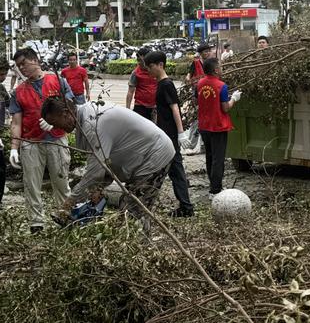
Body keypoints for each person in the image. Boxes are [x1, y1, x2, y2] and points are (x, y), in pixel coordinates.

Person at [41, 97, 175, 231]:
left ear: (66, 113)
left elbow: (95, 174)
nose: (55, 128)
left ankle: (142, 246)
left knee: (131, 214)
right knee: (130, 212)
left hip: (155, 155)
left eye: (55, 123)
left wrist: (68, 205)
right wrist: (97, 189)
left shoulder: (93, 124)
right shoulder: (87, 115)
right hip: (142, 157)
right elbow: (104, 165)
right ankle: (140, 242)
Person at [9, 47, 74, 233]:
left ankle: (64, 216)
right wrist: (15, 147)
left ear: (35, 60)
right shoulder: (19, 92)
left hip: (57, 139)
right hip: (31, 142)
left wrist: (57, 124)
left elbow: (71, 109)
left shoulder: (58, 81)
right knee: (31, 184)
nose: (22, 69)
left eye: (24, 63)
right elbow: (16, 122)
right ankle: (36, 223)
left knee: (61, 181)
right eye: (18, 66)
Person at [144, 50, 194, 217]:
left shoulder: (166, 84)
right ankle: (184, 206)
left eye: (150, 66)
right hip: (164, 133)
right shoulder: (161, 83)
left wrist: (181, 133)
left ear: (160, 65)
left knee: (175, 169)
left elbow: (175, 109)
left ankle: (186, 207)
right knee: (171, 169)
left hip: (170, 134)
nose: (149, 70)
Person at [197, 58, 241, 198]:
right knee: (218, 159)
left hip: (204, 126)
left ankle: (213, 186)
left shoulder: (199, 83)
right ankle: (215, 190)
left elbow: (198, 100)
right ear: (216, 70)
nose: (222, 68)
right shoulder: (221, 86)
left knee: (210, 156)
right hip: (217, 126)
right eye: (220, 67)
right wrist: (234, 98)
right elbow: (225, 108)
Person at [184, 43, 215, 152]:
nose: (207, 53)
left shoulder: (212, 62)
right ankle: (191, 146)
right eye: (205, 51)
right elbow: (189, 74)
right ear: (201, 53)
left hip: (209, 93)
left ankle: (204, 146)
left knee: (207, 119)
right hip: (197, 92)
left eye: (208, 51)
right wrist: (188, 80)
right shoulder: (196, 63)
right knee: (196, 119)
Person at [126, 47, 157, 121]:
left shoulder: (156, 72)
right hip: (140, 107)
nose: (139, 63)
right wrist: (127, 110)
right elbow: (130, 92)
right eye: (138, 60)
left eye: (141, 60)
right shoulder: (135, 73)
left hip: (155, 108)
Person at [0, 58, 10, 208]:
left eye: (4, 74)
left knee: (1, 170)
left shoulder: (1, 89)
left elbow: (9, 104)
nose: (2, 77)